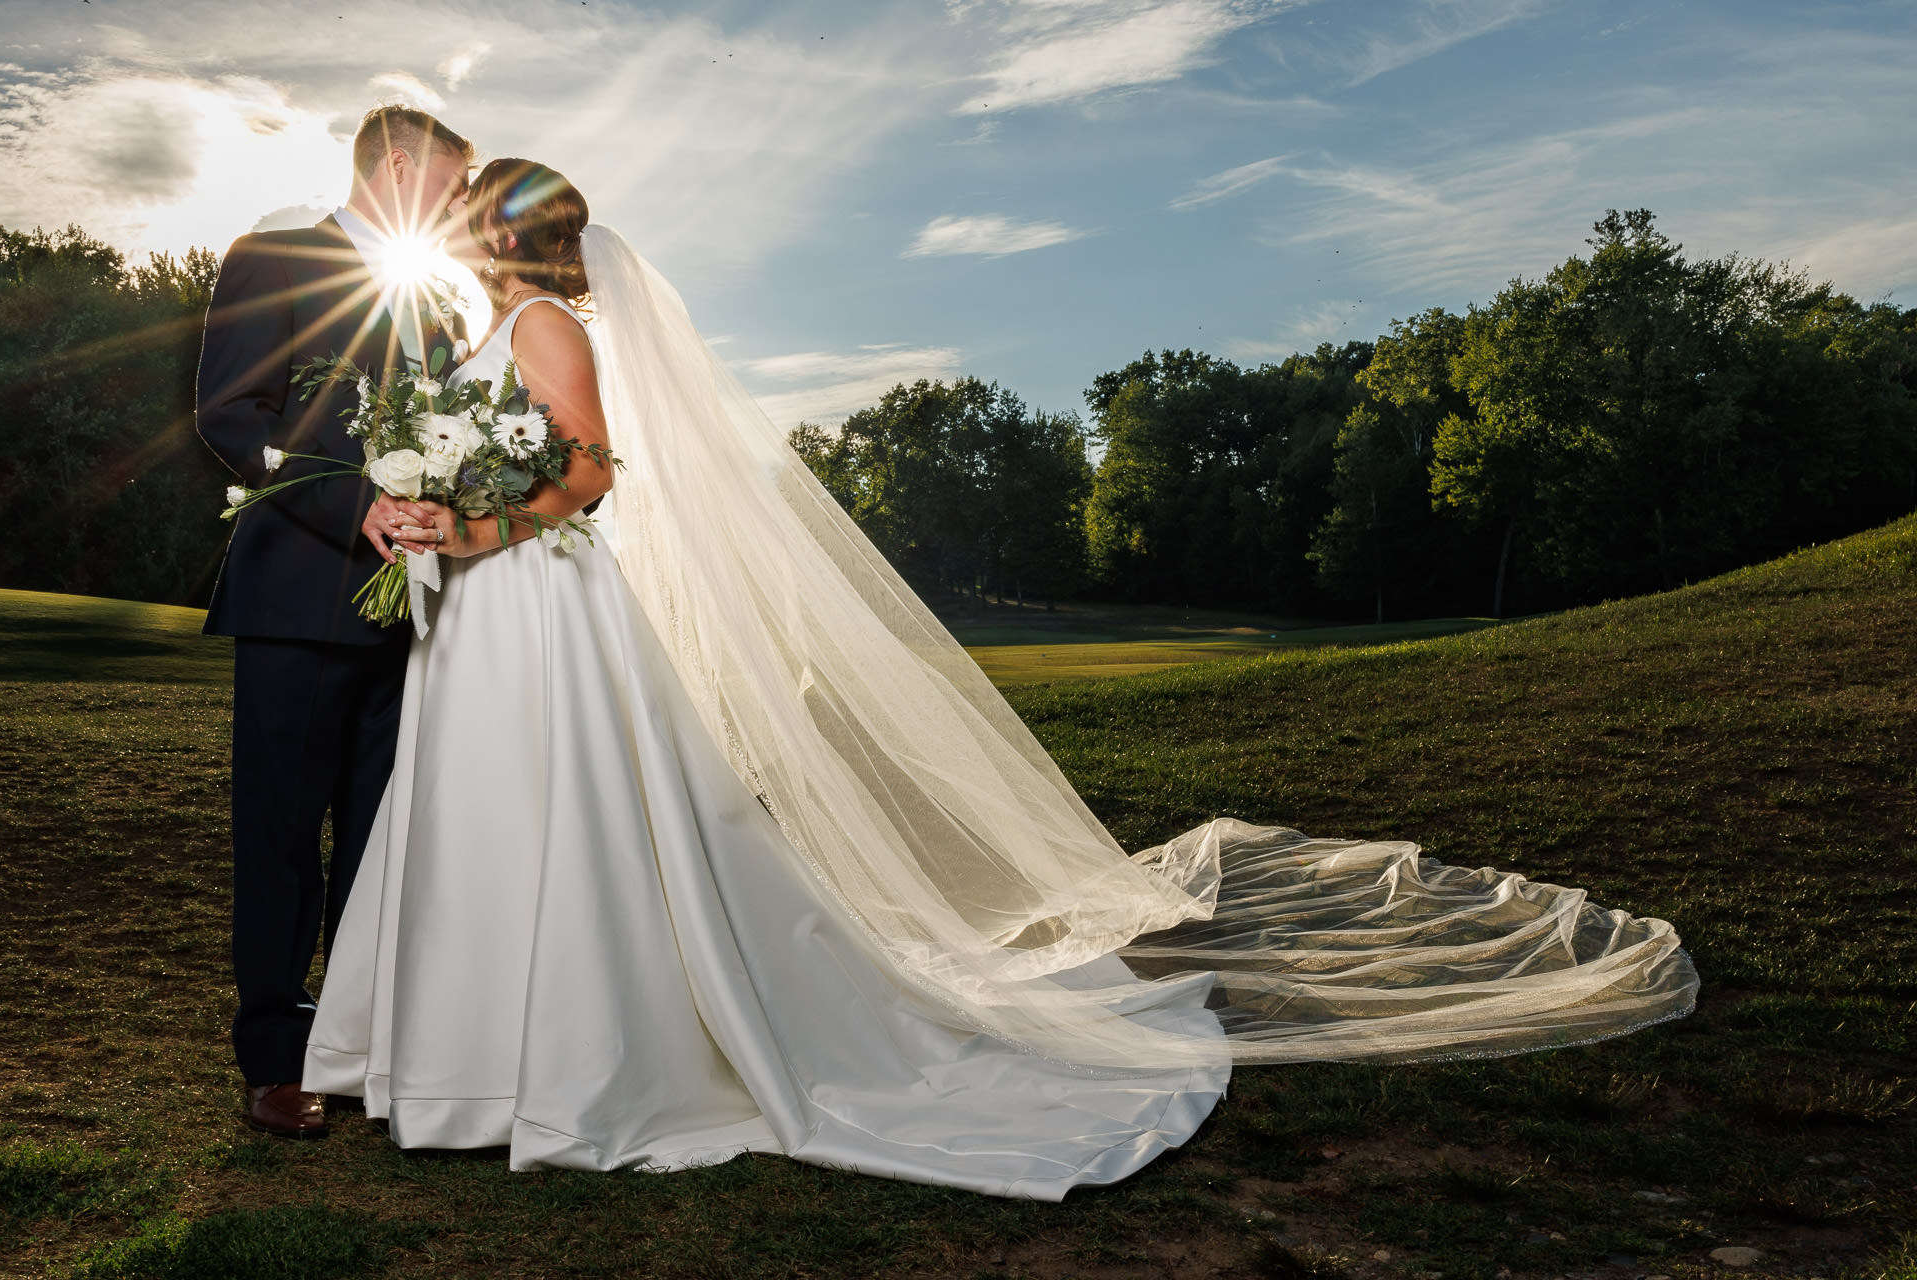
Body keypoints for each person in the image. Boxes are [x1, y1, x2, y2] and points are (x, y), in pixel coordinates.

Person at [305, 161, 1698, 1197]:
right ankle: (465, 1057)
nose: (476, 232)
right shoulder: (477, 341)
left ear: (510, 236)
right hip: (481, 615)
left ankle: (572, 1058)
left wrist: (474, 522)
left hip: (539, 607)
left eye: (483, 212)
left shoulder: (547, 326)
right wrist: (410, 509)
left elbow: (594, 475)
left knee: (568, 826)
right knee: (488, 825)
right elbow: (496, 465)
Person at [197, 105, 472, 1139]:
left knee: (377, 837)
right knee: (279, 837)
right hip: (297, 599)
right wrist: (355, 506)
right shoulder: (273, 257)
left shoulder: (434, 304)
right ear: (397, 166)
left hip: (409, 613)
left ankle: (350, 1043)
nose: (450, 206)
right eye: (445, 183)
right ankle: (272, 1056)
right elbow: (231, 412)